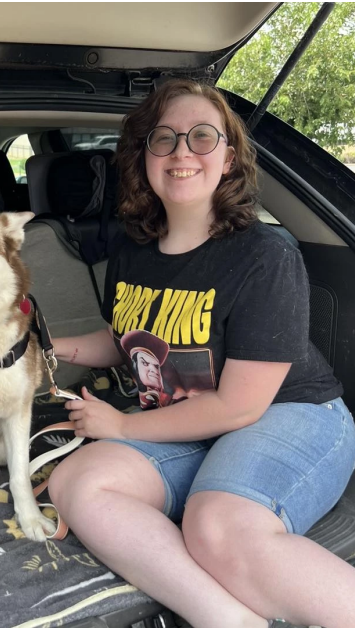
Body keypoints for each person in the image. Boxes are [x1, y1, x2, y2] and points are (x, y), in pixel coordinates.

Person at [47, 79, 353, 628]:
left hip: (290, 414)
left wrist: (121, 426)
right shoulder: (132, 249)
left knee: (216, 526)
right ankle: (229, 621)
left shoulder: (265, 254)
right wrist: (45, 348)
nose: (182, 151)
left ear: (228, 157)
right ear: (142, 157)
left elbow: (239, 406)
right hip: (191, 424)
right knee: (78, 483)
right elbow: (126, 340)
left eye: (201, 137)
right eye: (163, 138)